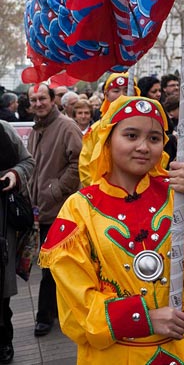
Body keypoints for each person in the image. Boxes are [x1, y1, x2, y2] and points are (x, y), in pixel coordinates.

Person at [38, 95, 184, 365]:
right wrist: (144, 317)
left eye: (154, 139)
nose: (143, 147)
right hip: (115, 353)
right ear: (108, 139)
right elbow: (76, 307)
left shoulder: (178, 196)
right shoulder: (79, 209)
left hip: (180, 349)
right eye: (131, 135)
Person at [27, 83, 82, 337]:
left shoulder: (66, 126)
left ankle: (44, 316)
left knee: (49, 264)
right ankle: (57, 311)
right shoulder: (38, 128)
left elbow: (78, 162)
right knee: (51, 263)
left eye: (42, 98)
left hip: (60, 207)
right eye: (34, 99)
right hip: (42, 208)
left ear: (52, 100)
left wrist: (55, 190)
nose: (38, 103)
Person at [0, 120, 35, 363]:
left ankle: (3, 341)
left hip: (1, 222)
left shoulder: (3, 129)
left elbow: (28, 162)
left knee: (1, 294)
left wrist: (14, 174)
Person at [79, 72, 140, 186]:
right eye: (116, 91)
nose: (122, 95)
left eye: (127, 90)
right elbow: (85, 166)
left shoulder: (146, 126)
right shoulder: (96, 129)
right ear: (106, 94)